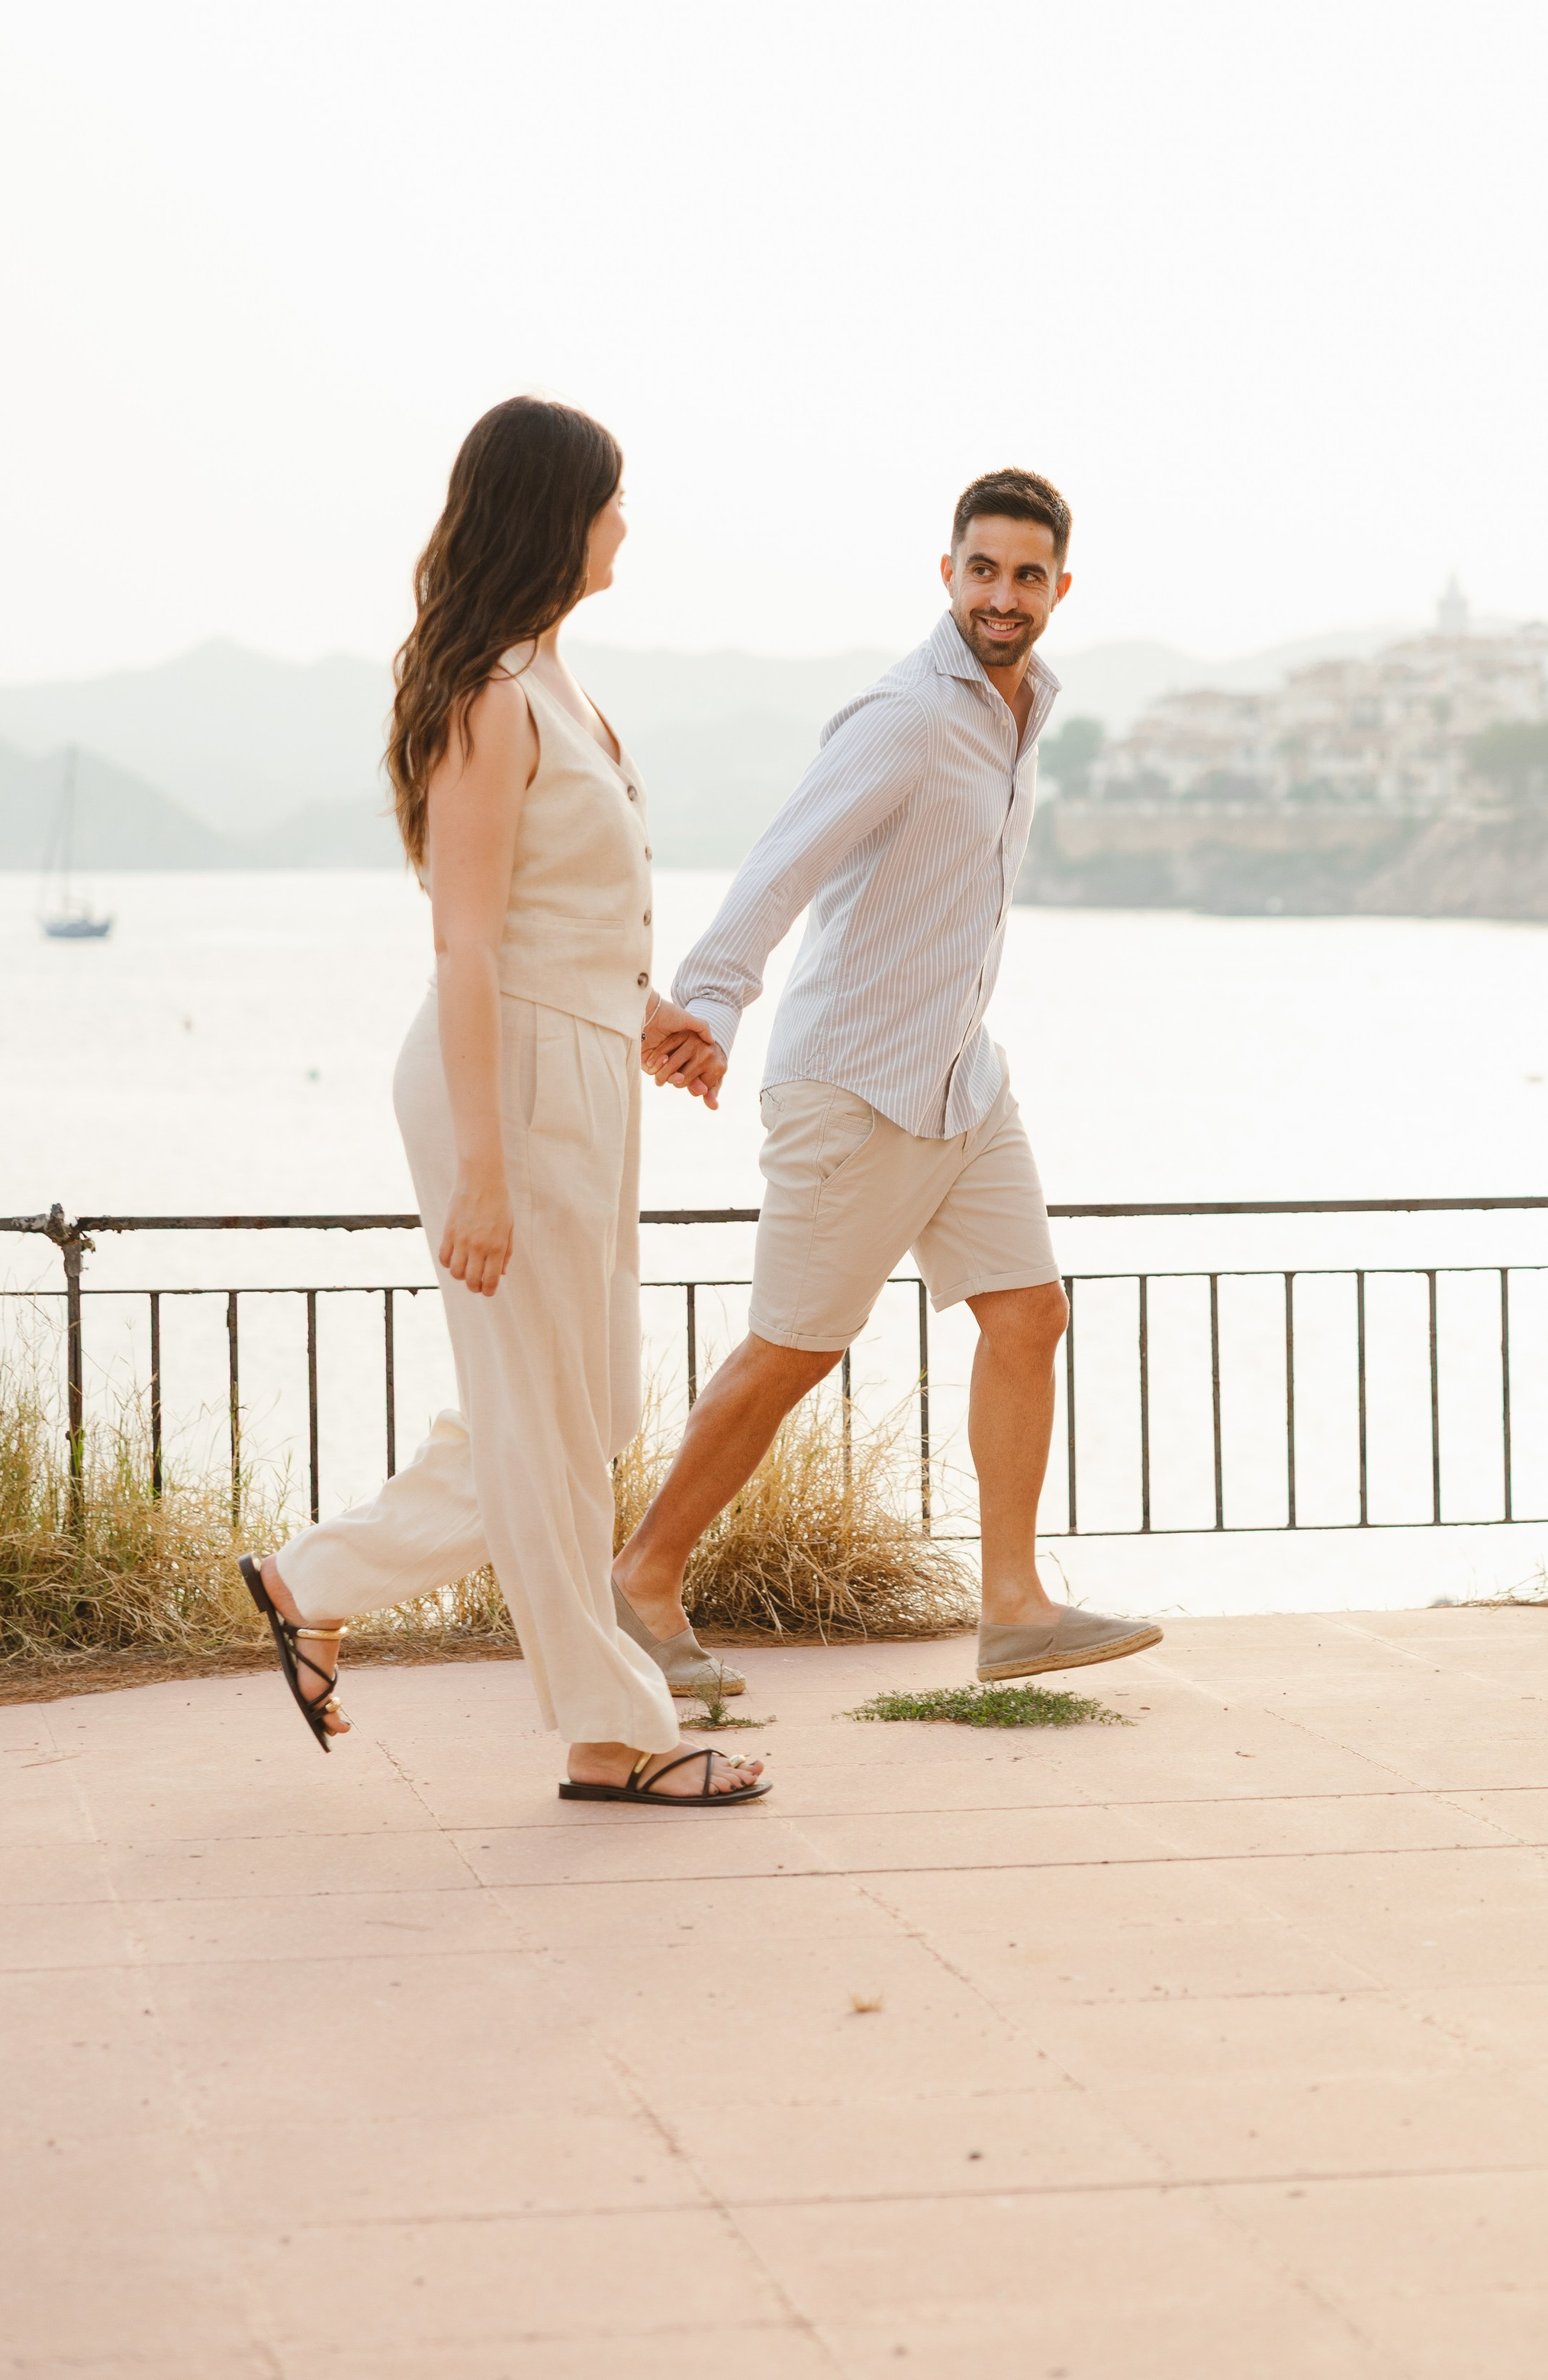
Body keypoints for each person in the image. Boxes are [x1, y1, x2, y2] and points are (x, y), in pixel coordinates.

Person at [238, 395, 765, 1809]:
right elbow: (465, 944)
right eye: (610, 498)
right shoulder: (489, 695)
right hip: (508, 1084)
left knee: (575, 1413)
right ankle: (616, 1732)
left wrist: (647, 1014)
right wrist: (482, 1172)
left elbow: (554, 919)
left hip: (575, 1067)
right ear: (557, 515)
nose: (626, 523)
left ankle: (310, 1581)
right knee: (545, 1425)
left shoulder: (558, 685)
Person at [613, 466, 1161, 1686]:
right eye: (984, 570)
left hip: (962, 1079)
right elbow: (782, 862)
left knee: (1030, 1314)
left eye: (1027, 576)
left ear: (1060, 589)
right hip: (854, 1085)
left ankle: (1014, 1607)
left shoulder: (1023, 710)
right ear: (948, 572)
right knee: (795, 1348)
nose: (1003, 595)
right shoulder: (908, 714)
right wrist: (710, 1003)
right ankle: (639, 1579)